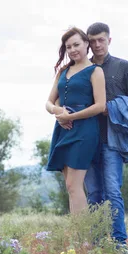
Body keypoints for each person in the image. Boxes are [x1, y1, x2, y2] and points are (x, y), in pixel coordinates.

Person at [85, 22, 128, 249]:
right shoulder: (83, 69)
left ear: (109, 40)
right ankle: (98, 243)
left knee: (112, 191)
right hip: (88, 139)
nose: (97, 44)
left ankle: (120, 243)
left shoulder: (124, 67)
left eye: (101, 39)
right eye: (93, 40)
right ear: (88, 42)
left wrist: (113, 106)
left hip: (113, 139)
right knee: (93, 194)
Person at [45, 27, 106, 215]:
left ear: (86, 44)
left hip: (85, 130)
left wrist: (70, 116)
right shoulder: (63, 71)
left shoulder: (95, 71)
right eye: (68, 46)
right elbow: (48, 103)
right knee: (70, 187)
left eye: (76, 44)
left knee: (74, 184)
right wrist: (59, 112)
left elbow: (100, 106)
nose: (72, 49)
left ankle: (83, 239)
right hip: (63, 129)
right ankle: (78, 236)